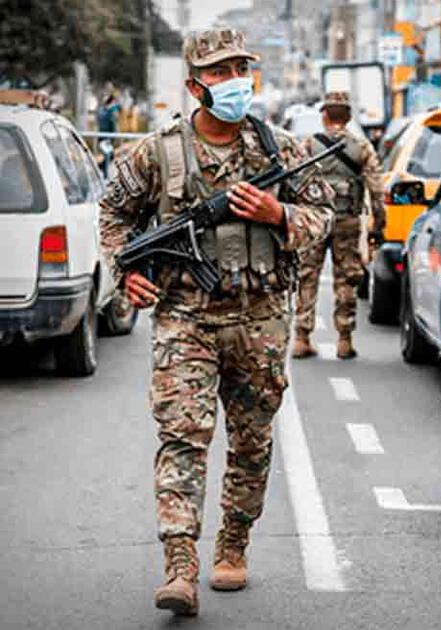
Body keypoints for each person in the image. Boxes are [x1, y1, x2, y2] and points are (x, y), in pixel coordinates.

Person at [98, 28, 333, 617]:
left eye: (239, 70)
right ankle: (180, 565)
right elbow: (114, 213)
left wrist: (281, 214)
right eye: (220, 73)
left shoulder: (280, 150)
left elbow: (326, 214)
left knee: (251, 441)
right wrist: (124, 273)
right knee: (183, 436)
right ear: (194, 85)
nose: (233, 82)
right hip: (186, 319)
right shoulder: (158, 152)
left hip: (260, 316)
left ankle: (233, 542)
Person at [292, 90, 387, 360]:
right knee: (346, 278)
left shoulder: (309, 145)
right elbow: (377, 190)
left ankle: (302, 337)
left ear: (324, 116)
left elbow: (293, 183)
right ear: (348, 116)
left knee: (307, 276)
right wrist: (378, 225)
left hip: (313, 222)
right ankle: (344, 339)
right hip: (347, 220)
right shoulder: (361, 147)